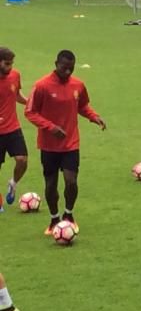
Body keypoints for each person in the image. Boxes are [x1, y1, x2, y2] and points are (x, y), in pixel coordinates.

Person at [25, 50, 106, 234]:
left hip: (71, 143)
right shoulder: (41, 86)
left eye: (71, 68)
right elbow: (30, 112)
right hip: (48, 145)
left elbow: (82, 105)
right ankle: (54, 219)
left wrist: (94, 117)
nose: (68, 72)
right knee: (51, 184)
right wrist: (50, 127)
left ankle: (68, 214)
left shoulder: (78, 85)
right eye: (64, 68)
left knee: (71, 181)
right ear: (56, 64)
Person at [0, 46, 28, 210]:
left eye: (11, 64)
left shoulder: (15, 75)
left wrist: (30, 103)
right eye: (7, 64)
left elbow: (16, 95)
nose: (10, 68)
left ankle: (13, 183)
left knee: (22, 160)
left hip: (12, 128)